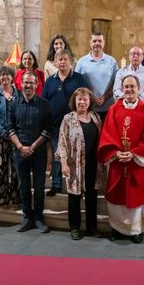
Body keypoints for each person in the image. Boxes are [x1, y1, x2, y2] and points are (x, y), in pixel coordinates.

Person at [97, 75, 144, 243]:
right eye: (126, 86)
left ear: (139, 89)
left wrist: (134, 153)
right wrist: (115, 152)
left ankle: (135, 230)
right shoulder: (114, 109)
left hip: (137, 162)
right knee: (117, 197)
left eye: (132, 86)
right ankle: (116, 229)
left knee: (136, 195)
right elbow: (107, 133)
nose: (129, 90)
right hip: (118, 161)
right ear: (122, 89)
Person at [8, 72, 53, 233]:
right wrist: (20, 147)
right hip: (20, 152)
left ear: (36, 85)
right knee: (23, 186)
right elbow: (10, 128)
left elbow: (48, 130)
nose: (28, 86)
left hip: (38, 152)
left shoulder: (44, 104)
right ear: (21, 84)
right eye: (25, 83)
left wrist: (32, 147)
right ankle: (27, 217)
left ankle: (39, 218)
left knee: (39, 187)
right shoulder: (14, 104)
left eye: (31, 83)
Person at [56, 87, 103, 240]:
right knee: (74, 197)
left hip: (92, 164)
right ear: (74, 102)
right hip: (74, 164)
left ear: (90, 102)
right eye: (79, 99)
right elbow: (62, 142)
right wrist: (63, 163)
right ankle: (75, 227)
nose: (82, 102)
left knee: (91, 196)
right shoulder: (68, 119)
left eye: (85, 99)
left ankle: (92, 227)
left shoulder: (96, 117)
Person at [42, 49, 88, 196]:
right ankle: (56, 184)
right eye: (59, 59)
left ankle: (78, 184)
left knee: (76, 156)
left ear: (70, 61)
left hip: (76, 124)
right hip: (56, 124)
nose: (62, 62)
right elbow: (45, 102)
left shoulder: (79, 79)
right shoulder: (50, 81)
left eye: (65, 59)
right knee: (58, 155)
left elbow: (84, 98)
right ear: (55, 62)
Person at [0, 65, 20, 207]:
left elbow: (21, 112)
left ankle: (15, 195)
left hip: (16, 136)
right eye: (2, 75)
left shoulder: (18, 94)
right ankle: (2, 196)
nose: (4, 77)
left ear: (12, 77)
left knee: (15, 166)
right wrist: (3, 132)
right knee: (1, 166)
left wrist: (13, 133)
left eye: (7, 75)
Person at [75, 32, 118, 122]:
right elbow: (77, 83)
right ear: (90, 43)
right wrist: (92, 96)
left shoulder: (112, 61)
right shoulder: (82, 62)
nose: (97, 43)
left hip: (108, 107)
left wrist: (105, 97)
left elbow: (116, 83)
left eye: (99, 41)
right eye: (94, 41)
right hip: (88, 107)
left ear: (103, 43)